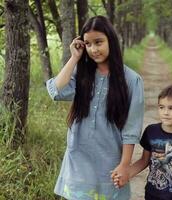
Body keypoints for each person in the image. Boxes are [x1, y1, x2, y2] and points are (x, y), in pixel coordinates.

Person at [46, 16, 144, 200]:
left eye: (98, 42)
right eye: (88, 44)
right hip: (78, 161)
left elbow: (131, 129)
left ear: (111, 41)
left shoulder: (131, 80)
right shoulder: (81, 74)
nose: (93, 49)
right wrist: (74, 58)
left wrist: (125, 165)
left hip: (109, 162)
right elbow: (55, 91)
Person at [114, 84, 172, 200]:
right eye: (161, 107)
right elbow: (144, 161)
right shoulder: (151, 131)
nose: (165, 112)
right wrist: (128, 173)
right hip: (153, 195)